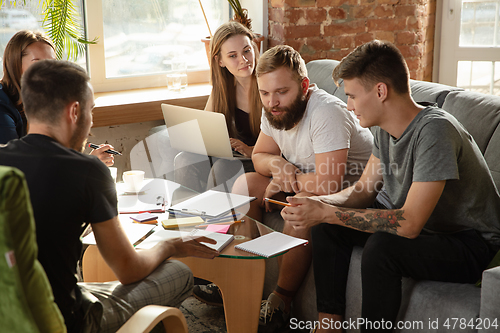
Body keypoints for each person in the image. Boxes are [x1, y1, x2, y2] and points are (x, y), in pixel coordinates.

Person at [281, 40, 500, 333]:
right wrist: (320, 205)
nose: (348, 105)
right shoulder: (384, 129)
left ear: (380, 91)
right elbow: (362, 192)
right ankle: (328, 326)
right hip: (428, 232)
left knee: (382, 247)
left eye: (352, 96)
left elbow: (408, 224)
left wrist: (327, 212)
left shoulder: (435, 131)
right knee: (327, 227)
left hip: (471, 245)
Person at [0, 59, 219, 333]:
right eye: (91, 111)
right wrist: (170, 246)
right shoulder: (87, 171)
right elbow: (128, 270)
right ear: (74, 111)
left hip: (10, 314)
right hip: (68, 321)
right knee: (180, 274)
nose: (91, 126)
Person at [196, 44, 374, 333]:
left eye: (281, 92)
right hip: (310, 183)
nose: (272, 102)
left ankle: (280, 301)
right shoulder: (274, 108)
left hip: (352, 193)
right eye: (264, 93)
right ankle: (240, 281)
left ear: (304, 86)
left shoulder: (326, 112)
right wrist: (278, 166)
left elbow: (328, 182)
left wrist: (283, 180)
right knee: (247, 183)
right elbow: (259, 156)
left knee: (301, 205)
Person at [0, 30, 115, 166]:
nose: (48, 72)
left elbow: (50, 164)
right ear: (15, 64)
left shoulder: (46, 100)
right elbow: (17, 167)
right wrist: (87, 165)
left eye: (51, 63)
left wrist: (89, 163)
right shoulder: (3, 109)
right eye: (37, 63)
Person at [173, 21, 262, 193]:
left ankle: (215, 219)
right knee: (184, 160)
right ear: (220, 61)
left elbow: (285, 141)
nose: (243, 60)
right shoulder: (222, 90)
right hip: (233, 157)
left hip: (258, 159)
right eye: (232, 56)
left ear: (253, 48)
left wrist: (251, 150)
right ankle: (188, 218)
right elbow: (205, 131)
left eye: (246, 51)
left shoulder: (268, 86)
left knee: (222, 168)